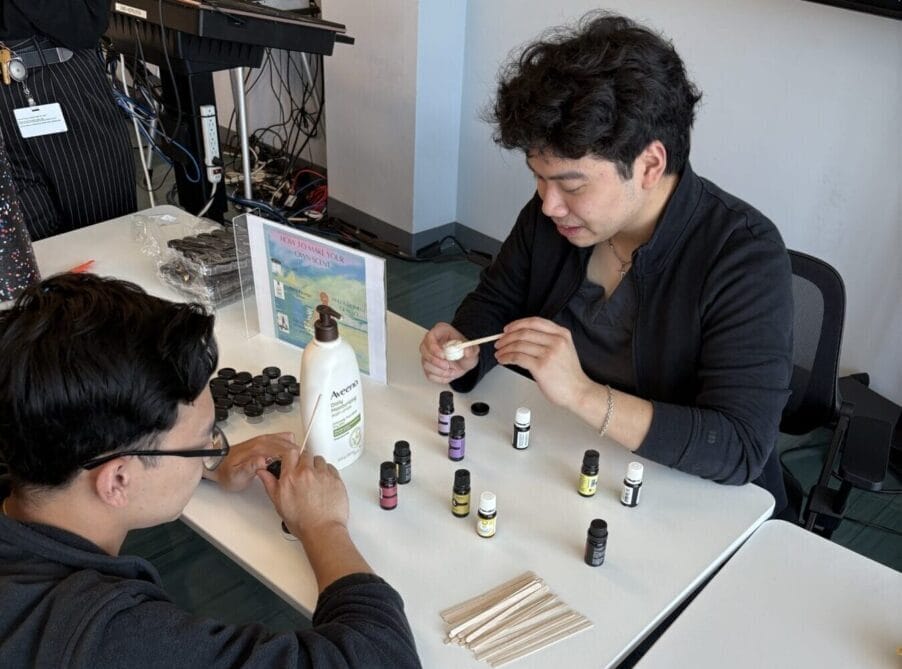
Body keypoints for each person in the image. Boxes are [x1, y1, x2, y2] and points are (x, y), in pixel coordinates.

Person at [419, 12, 794, 516]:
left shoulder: (743, 255)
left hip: (684, 500)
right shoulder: (556, 218)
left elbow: (738, 446)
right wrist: (465, 348)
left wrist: (582, 394)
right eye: (538, 178)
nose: (549, 204)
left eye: (572, 185)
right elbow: (495, 302)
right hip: (563, 463)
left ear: (650, 165)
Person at [0, 273, 421, 668]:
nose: (212, 448)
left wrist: (206, 463)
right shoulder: (110, 640)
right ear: (118, 480)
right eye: (203, 440)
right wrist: (324, 526)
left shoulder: (26, 447)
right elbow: (380, 657)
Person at [0, 1, 136, 240]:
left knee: (104, 232)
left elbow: (82, 24)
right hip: (24, 93)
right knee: (27, 247)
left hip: (59, 77)